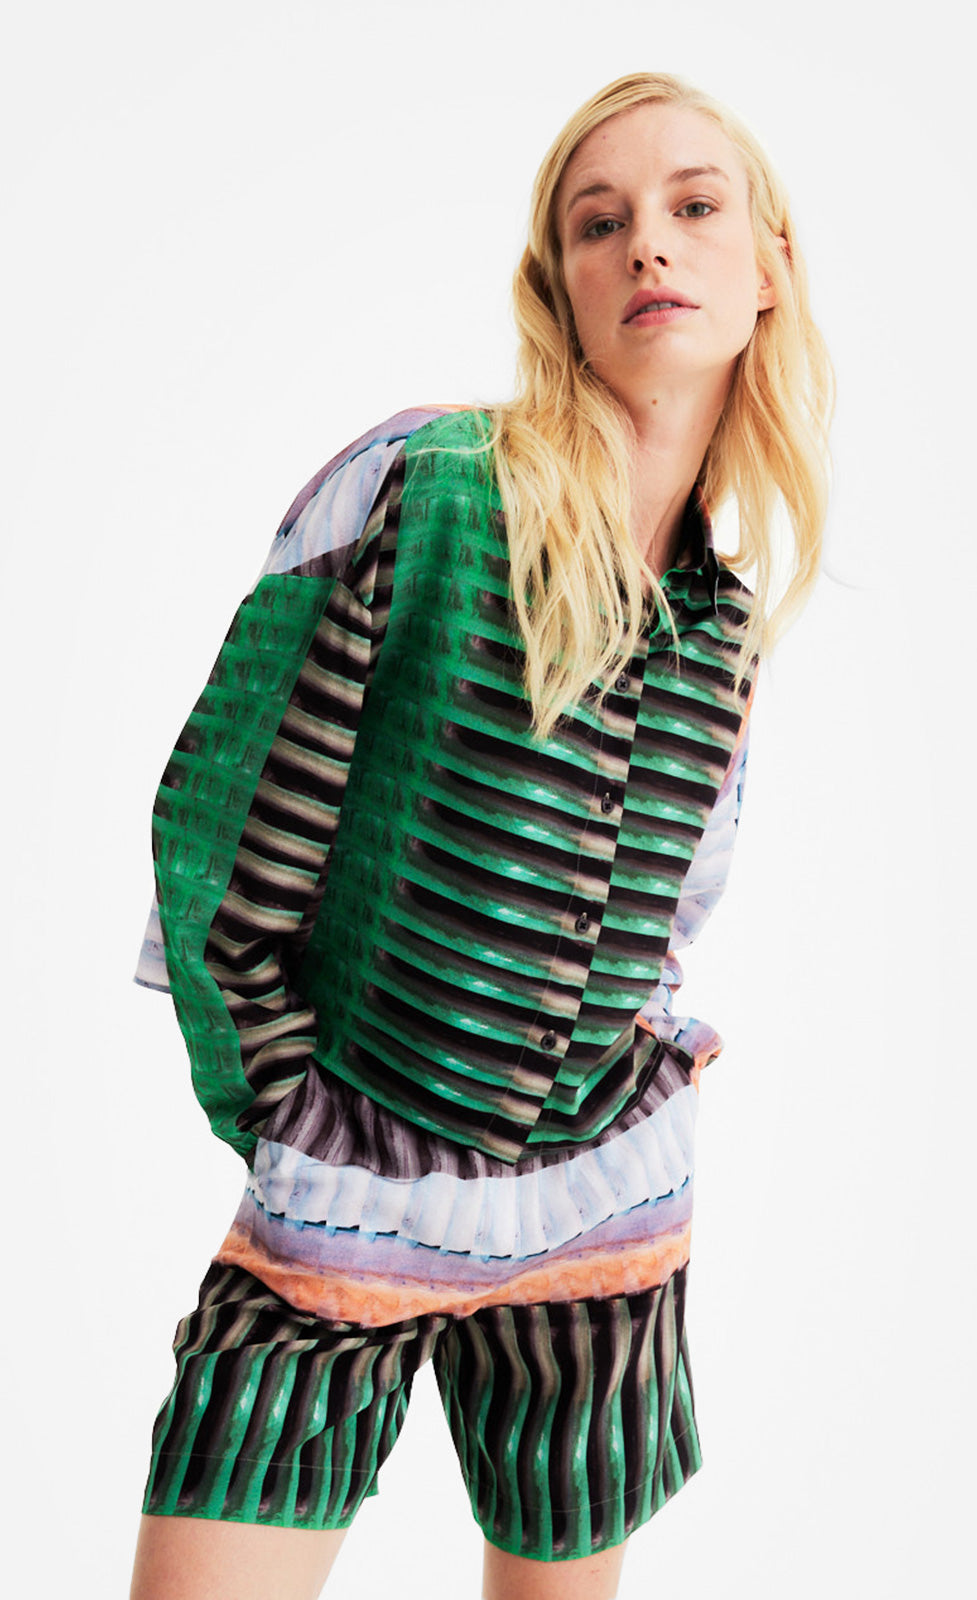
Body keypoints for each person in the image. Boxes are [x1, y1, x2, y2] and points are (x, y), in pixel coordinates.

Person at [129, 71, 831, 1600]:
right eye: (600, 223)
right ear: (558, 285)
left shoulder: (720, 625)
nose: (648, 245)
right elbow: (215, 836)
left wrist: (637, 1062)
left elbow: (666, 918)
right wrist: (292, 1120)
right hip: (352, 1184)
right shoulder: (427, 486)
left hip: (601, 1220)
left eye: (694, 206)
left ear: (769, 265)